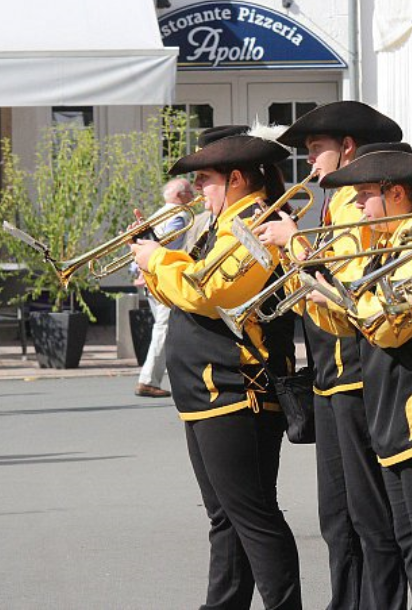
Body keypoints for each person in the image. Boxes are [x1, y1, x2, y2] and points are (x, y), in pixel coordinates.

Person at [130, 126, 302, 610]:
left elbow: (211, 295)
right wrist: (152, 264)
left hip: (236, 388)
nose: (200, 191)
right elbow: (185, 293)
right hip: (207, 391)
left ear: (238, 179)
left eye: (206, 180)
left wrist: (158, 257)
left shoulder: (259, 224)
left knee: (253, 517)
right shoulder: (221, 225)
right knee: (225, 518)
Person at [257, 102, 409, 610]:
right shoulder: (327, 206)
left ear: (347, 147)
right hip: (327, 375)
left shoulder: (351, 207)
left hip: (355, 374)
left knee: (369, 517)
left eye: (317, 149)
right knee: (337, 518)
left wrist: (293, 242)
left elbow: (343, 285)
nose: (311, 162)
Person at [318, 146, 412, 610]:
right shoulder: (388, 243)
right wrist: (324, 295)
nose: (360, 207)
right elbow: (359, 321)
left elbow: (390, 322)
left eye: (366, 195)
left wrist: (344, 300)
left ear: (397, 192)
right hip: (392, 406)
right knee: (408, 536)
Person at [134, 177, 196, 399]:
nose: (195, 196)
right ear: (180, 196)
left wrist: (137, 271)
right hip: (164, 278)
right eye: (191, 192)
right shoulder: (179, 216)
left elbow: (140, 244)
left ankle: (165, 375)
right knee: (164, 328)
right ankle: (148, 380)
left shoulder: (157, 214)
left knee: (167, 328)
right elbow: (165, 246)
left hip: (151, 277)